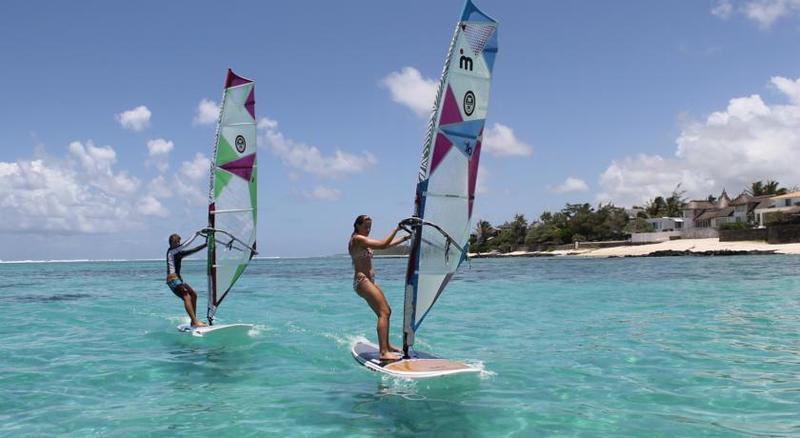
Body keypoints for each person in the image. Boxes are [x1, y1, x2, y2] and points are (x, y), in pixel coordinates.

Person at [349, 215, 411, 360]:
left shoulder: (363, 241)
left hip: (369, 282)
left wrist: (404, 239)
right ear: (357, 226)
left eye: (370, 226)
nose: (368, 229)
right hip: (363, 281)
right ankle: (383, 352)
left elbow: (385, 246)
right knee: (384, 312)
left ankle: (387, 346)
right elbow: (383, 244)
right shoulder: (357, 239)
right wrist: (396, 229)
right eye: (365, 226)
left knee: (386, 311)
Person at [166, 231, 208, 327]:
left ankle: (194, 321)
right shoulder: (171, 251)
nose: (178, 244)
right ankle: (194, 321)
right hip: (172, 278)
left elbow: (193, 250)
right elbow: (186, 244)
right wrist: (196, 234)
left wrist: (206, 244)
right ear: (171, 244)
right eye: (175, 242)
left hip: (178, 279)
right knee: (186, 296)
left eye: (178, 242)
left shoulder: (178, 253)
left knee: (193, 294)